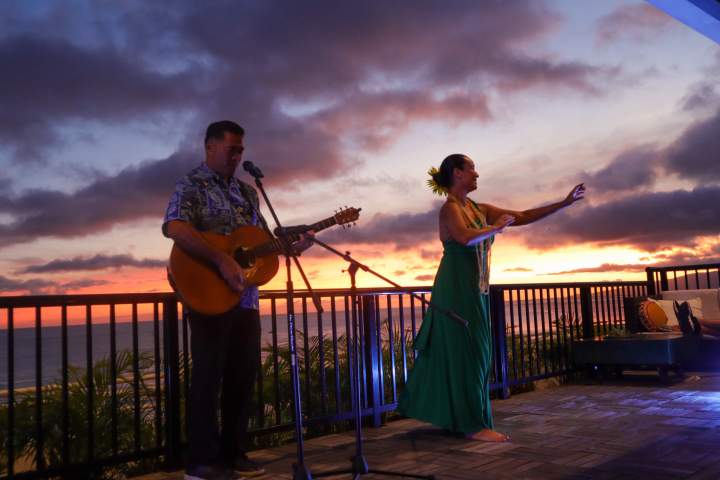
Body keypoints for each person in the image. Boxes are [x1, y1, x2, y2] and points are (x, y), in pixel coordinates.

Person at [163, 121, 313, 480]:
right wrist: (220, 258)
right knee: (207, 377)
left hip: (245, 299)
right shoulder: (192, 184)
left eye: (241, 150)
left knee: (242, 377)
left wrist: (293, 245)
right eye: (231, 149)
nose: (237, 156)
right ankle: (200, 463)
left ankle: (233, 454)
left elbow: (258, 242)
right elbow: (175, 227)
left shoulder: (248, 193)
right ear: (210, 146)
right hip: (207, 294)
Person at [398, 153, 585, 443]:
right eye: (471, 168)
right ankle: (473, 425)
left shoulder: (478, 208)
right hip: (456, 288)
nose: (476, 173)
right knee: (469, 353)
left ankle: (459, 418)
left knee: (477, 353)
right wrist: (495, 228)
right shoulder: (450, 209)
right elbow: (463, 237)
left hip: (477, 289)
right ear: (457, 173)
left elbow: (522, 216)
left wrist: (564, 202)